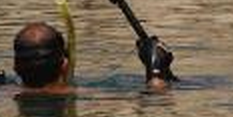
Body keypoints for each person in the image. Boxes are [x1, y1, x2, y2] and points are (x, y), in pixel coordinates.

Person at [11, 22, 174, 92]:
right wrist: (156, 71)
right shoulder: (89, 95)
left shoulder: (3, 92)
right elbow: (156, 96)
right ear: (65, 65)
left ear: (15, 67)